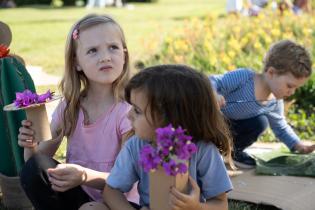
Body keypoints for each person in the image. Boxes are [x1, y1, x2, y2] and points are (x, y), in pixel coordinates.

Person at [17, 14, 138, 210]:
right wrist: (30, 146)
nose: (105, 57)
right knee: (34, 169)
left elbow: (126, 180)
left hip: (119, 201)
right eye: (93, 51)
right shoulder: (70, 106)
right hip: (79, 197)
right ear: (76, 63)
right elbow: (36, 163)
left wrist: (83, 176)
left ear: (124, 54)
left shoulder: (129, 112)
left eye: (113, 47)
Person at [102, 64, 234, 210]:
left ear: (170, 118)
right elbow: (111, 191)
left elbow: (221, 204)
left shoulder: (203, 151)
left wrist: (196, 207)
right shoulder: (135, 146)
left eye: (137, 111)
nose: (129, 115)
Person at [210, 40, 315, 169]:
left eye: (296, 88)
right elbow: (213, 81)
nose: (292, 92)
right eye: (289, 86)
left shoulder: (274, 101)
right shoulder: (244, 78)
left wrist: (298, 145)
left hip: (228, 133)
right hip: (210, 125)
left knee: (260, 122)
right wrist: (213, 93)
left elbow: (280, 127)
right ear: (271, 73)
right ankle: (206, 150)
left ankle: (232, 152)